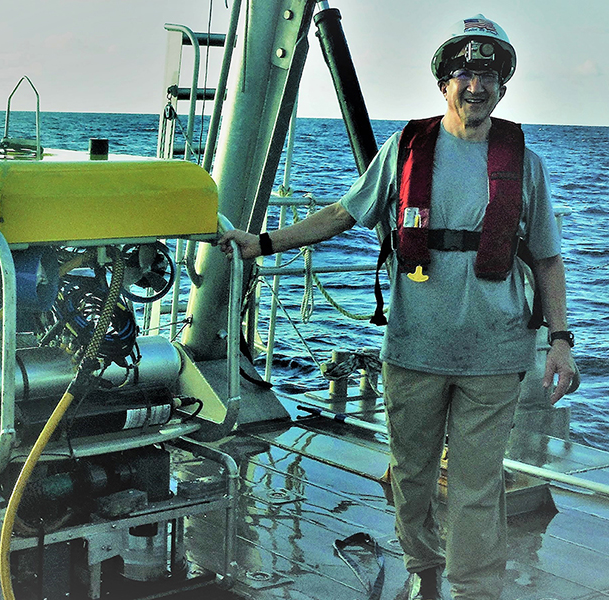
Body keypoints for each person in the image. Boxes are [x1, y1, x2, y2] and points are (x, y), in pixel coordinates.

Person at [218, 14, 576, 600]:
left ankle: (473, 589)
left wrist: (561, 340)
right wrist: (261, 243)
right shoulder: (406, 150)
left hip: (496, 351)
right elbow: (340, 214)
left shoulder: (525, 165)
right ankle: (424, 567)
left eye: (488, 75)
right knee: (410, 476)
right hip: (415, 348)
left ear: (503, 88)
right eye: (463, 73)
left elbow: (549, 261)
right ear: (444, 84)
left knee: (476, 483)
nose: (475, 86)